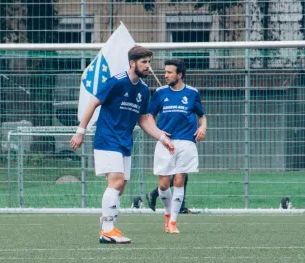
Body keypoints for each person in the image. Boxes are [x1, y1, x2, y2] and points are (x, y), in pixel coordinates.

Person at [70, 45, 175, 244]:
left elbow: (143, 120)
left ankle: (108, 225)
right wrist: (80, 131)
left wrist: (162, 137)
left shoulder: (143, 90)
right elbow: (92, 103)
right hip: (107, 138)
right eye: (144, 62)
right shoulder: (116, 82)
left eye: (149, 62)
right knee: (116, 181)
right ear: (132, 63)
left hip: (125, 142)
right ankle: (107, 230)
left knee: (120, 187)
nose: (148, 67)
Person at [145, 59, 207, 234]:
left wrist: (202, 127)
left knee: (179, 179)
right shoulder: (159, 93)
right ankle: (167, 213)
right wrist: (159, 133)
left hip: (186, 141)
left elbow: (201, 116)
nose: (165, 75)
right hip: (165, 142)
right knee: (164, 185)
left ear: (179, 75)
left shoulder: (193, 93)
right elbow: (149, 117)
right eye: (164, 72)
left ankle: (173, 221)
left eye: (169, 72)